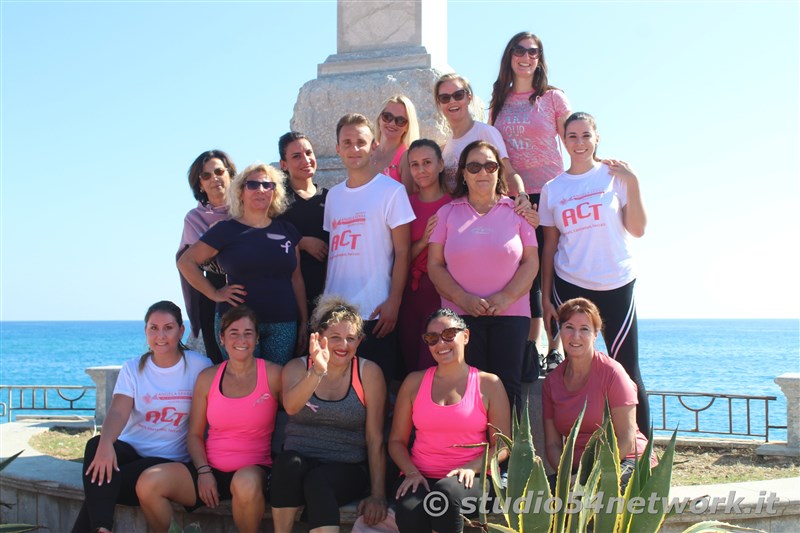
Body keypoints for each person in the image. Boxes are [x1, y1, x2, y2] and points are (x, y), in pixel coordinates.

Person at [539, 111, 649, 432]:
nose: (579, 143)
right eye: (572, 136)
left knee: (627, 370)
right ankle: (573, 456)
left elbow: (638, 229)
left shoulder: (616, 177)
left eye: (586, 135)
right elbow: (549, 247)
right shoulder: (553, 189)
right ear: (563, 141)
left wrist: (634, 182)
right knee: (575, 371)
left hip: (616, 283)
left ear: (596, 137)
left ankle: (642, 458)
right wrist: (546, 298)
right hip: (571, 284)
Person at [136, 306, 282, 533]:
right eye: (233, 333)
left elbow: (295, 404)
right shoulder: (208, 377)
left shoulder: (273, 374)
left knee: (245, 483)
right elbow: (194, 434)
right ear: (222, 338)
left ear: (257, 338)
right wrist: (203, 472)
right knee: (149, 482)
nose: (241, 339)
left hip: (253, 470)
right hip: (209, 469)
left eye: (248, 333)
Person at [71, 301, 211, 533]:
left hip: (169, 461)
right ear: (146, 331)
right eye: (153, 328)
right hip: (131, 452)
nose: (161, 335)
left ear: (181, 330)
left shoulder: (199, 366)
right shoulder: (133, 368)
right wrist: (106, 443)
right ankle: (102, 529)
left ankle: (101, 528)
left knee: (105, 482)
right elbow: (118, 411)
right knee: (95, 445)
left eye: (168, 328)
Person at [428, 140, 538, 411]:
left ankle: (509, 454)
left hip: (511, 316)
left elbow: (531, 262)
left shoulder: (518, 212)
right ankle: (473, 454)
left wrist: (507, 297)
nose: (482, 173)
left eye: (490, 166)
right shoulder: (446, 213)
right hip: (459, 317)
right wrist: (462, 298)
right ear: (463, 174)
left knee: (508, 388)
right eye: (474, 167)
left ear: (499, 171)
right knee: (467, 391)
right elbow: (435, 265)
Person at [490, 32, 572, 373]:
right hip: (514, 198)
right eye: (519, 50)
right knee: (526, 272)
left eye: (532, 51)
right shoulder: (498, 100)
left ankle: (556, 346)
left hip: (551, 194)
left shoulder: (553, 97)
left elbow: (573, 139)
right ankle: (529, 347)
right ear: (509, 56)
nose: (526, 57)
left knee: (554, 267)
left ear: (540, 58)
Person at [271, 296, 388, 533]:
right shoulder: (296, 368)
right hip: (298, 465)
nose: (343, 345)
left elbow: (375, 438)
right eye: (335, 337)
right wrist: (317, 371)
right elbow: (292, 407)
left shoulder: (369, 373)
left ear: (360, 341)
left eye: (351, 338)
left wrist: (378, 495)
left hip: (346, 467)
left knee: (319, 482)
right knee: (286, 463)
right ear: (318, 337)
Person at [389, 308, 511, 533]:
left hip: (471, 479)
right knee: (409, 510)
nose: (440, 343)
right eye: (432, 338)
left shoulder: (489, 383)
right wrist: (411, 472)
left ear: (465, 336)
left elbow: (503, 444)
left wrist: (472, 468)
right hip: (421, 476)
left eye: (448, 334)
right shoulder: (414, 382)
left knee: (444, 496)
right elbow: (396, 441)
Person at [178, 162, 308, 365]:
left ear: (275, 192)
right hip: (237, 324)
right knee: (242, 385)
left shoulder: (287, 230)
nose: (261, 190)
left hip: (283, 322)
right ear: (240, 192)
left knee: (275, 386)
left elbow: (296, 279)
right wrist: (215, 293)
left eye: (268, 185)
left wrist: (304, 322)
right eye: (253, 185)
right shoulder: (225, 230)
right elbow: (186, 262)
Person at [323, 113, 415, 383]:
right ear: (338, 148)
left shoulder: (392, 191)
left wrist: (394, 301)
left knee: (376, 394)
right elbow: (333, 255)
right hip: (335, 313)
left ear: (374, 146)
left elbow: (403, 252)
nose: (354, 149)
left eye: (360, 142)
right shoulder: (333, 196)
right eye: (347, 142)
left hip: (375, 312)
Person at [542, 298, 655, 491]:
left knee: (598, 494)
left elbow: (626, 440)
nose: (575, 336)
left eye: (584, 329)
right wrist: (566, 477)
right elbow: (552, 444)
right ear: (560, 331)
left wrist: (589, 477)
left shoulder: (613, 373)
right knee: (532, 498)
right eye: (569, 327)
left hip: (625, 461)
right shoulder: (552, 382)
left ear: (596, 335)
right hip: (577, 471)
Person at [396, 139, 452, 374]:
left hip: (444, 294)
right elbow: (396, 258)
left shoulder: (456, 203)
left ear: (440, 165)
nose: (421, 170)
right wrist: (422, 242)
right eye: (414, 164)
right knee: (410, 361)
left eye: (427, 163)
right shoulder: (403, 205)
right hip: (411, 293)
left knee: (436, 362)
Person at [178, 149, 237, 363]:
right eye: (206, 176)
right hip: (215, 298)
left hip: (252, 292)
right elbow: (187, 264)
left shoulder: (250, 211)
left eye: (219, 171)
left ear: (230, 174)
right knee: (220, 363)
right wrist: (215, 294)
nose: (214, 179)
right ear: (199, 184)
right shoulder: (194, 219)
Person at [434, 72, 525, 199]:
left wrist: (521, 195)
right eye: (445, 98)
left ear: (469, 97)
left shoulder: (486, 133)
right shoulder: (445, 149)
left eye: (458, 95)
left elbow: (508, 173)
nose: (452, 101)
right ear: (439, 103)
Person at [277, 132, 329, 320]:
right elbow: (264, 238)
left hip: (327, 298)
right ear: (284, 164)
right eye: (296, 156)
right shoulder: (276, 202)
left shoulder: (330, 198)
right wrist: (301, 242)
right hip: (288, 300)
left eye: (309, 153)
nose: (306, 160)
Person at [371, 94, 420, 193]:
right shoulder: (368, 151)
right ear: (379, 118)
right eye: (387, 116)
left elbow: (408, 201)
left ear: (407, 127)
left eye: (401, 121)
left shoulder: (406, 158)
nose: (392, 123)